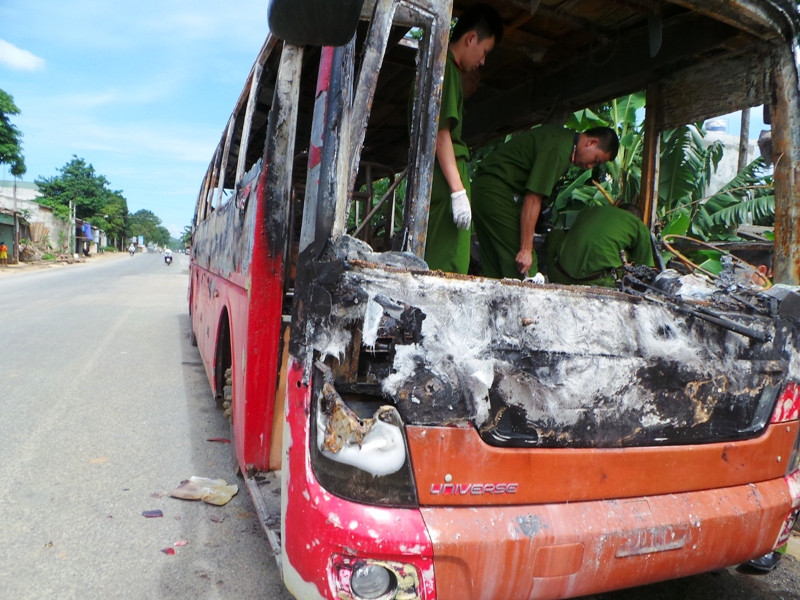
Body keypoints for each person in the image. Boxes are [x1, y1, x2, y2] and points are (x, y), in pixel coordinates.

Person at [472, 125, 619, 279]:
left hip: (483, 191)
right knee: (525, 265)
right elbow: (532, 199)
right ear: (591, 143)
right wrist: (526, 249)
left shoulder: (560, 137)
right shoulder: (559, 150)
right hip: (498, 193)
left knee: (494, 265)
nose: (589, 166)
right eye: (595, 161)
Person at [424, 3, 503, 274]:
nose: (482, 61)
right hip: (447, 183)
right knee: (445, 266)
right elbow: (441, 135)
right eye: (485, 52)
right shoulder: (444, 71)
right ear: (471, 39)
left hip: (443, 180)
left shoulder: (443, 70)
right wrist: (458, 192)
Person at [544, 203, 654, 287]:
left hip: (559, 275)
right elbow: (645, 270)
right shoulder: (639, 226)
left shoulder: (590, 210)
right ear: (638, 219)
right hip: (596, 284)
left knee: (556, 234)